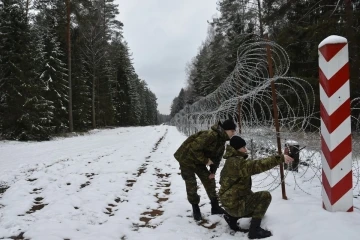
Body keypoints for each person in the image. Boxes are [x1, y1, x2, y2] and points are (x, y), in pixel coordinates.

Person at [219, 136, 294, 239]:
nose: (245, 150)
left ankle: (231, 217)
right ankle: (254, 231)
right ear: (236, 149)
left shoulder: (230, 161)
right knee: (264, 197)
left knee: (252, 198)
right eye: (243, 147)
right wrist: (280, 158)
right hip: (234, 205)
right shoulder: (236, 163)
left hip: (229, 203)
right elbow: (257, 165)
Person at [173, 119, 237, 221]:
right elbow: (194, 148)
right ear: (226, 130)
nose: (234, 133)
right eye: (232, 131)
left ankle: (215, 207)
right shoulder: (210, 135)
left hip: (199, 161)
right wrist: (206, 160)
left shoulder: (221, 141)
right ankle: (195, 207)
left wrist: (212, 172)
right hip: (186, 159)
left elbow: (217, 158)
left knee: (209, 180)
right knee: (191, 184)